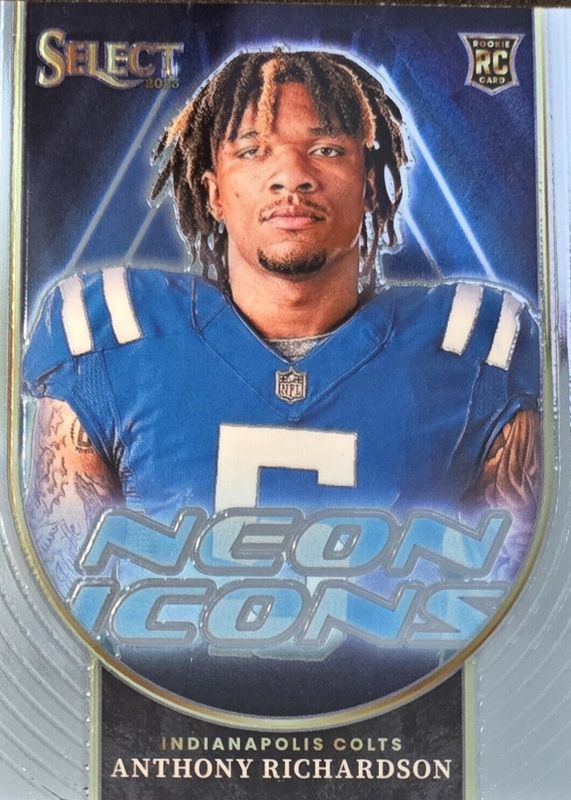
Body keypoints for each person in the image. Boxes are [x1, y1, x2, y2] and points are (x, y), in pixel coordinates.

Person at [22, 52, 540, 703]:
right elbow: (67, 621)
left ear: (369, 184)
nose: (291, 176)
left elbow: (511, 630)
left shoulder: (477, 345)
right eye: (252, 151)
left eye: (326, 149)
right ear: (213, 191)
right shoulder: (108, 334)